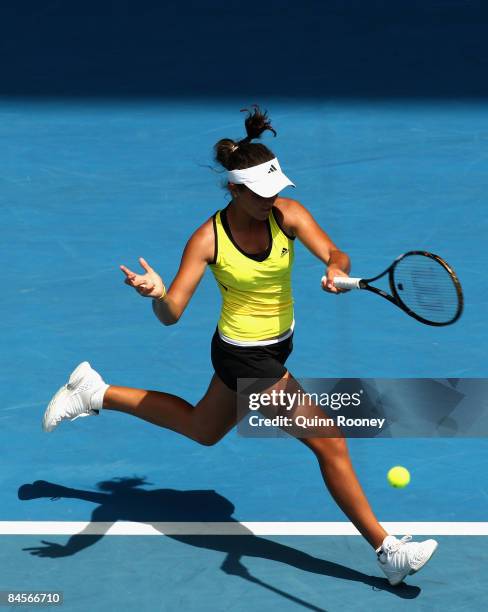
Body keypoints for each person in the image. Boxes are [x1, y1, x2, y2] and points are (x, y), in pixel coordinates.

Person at [42, 106, 437, 586]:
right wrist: (158, 293)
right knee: (331, 442)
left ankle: (94, 391)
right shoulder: (207, 239)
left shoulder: (288, 214)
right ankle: (386, 549)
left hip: (277, 346)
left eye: (276, 191)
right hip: (246, 357)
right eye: (262, 194)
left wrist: (335, 266)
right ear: (235, 189)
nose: (272, 201)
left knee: (201, 428)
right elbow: (171, 316)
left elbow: (334, 250)